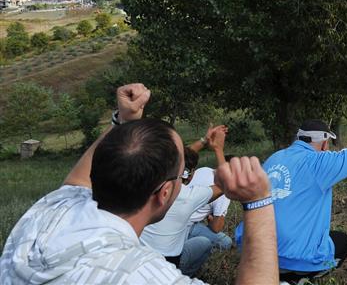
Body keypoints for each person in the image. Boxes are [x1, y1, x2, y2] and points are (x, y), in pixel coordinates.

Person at [0, 83, 278, 285]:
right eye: (181, 174)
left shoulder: (52, 210)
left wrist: (124, 122)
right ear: (165, 192)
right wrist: (259, 202)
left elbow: (77, 179)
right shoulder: (141, 275)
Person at [235, 117, 347, 283]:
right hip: (290, 258)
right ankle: (296, 279)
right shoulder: (320, 162)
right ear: (324, 143)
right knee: (343, 242)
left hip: (251, 249)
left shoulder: (275, 158)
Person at [140, 125, 227, 278]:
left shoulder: (143, 180)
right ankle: (182, 277)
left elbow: (180, 158)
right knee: (205, 243)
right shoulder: (187, 196)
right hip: (166, 266)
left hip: (138, 259)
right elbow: (226, 184)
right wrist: (218, 149)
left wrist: (204, 140)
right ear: (189, 173)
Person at [186, 163, 234, 252]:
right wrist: (212, 220)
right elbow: (216, 228)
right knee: (226, 242)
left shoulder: (204, 169)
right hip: (185, 226)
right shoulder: (224, 192)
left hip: (172, 216)